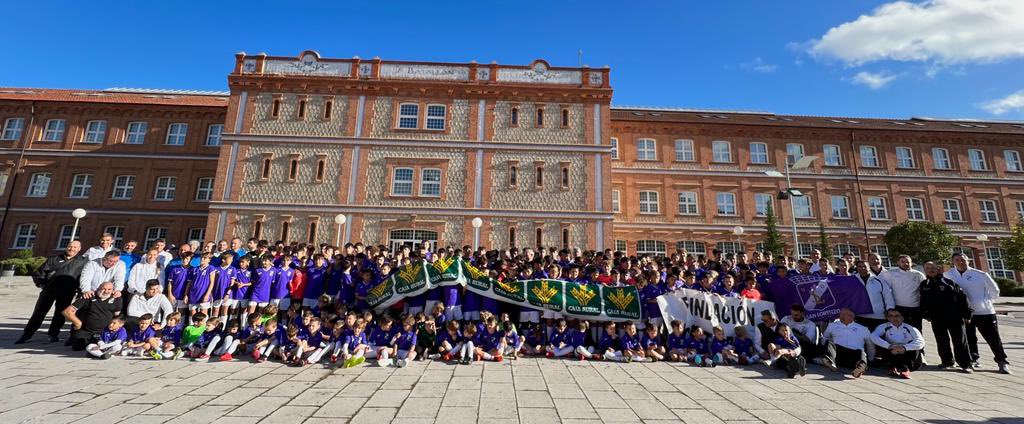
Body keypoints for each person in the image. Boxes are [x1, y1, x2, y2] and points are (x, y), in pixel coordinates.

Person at [944, 253, 1010, 374]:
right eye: (957, 260)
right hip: (964, 313)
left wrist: (984, 301)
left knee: (993, 338)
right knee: (969, 338)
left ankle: (1002, 361)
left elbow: (995, 291)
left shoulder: (980, 275)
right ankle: (973, 359)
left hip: (984, 312)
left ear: (968, 260)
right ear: (953, 262)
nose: (960, 262)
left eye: (963, 260)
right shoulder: (948, 275)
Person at [17, 240, 89, 344]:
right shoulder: (53, 259)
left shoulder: (83, 262)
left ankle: (53, 334)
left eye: (75, 247)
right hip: (49, 291)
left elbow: (83, 277)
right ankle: (27, 334)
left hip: (67, 292)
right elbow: (39, 273)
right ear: (66, 247)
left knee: (60, 315)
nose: (71, 249)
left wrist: (80, 290)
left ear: (79, 249)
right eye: (70, 246)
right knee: (39, 313)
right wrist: (42, 284)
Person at [920, 262, 973, 372]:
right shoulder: (924, 284)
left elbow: (962, 298)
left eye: (933, 267)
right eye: (928, 268)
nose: (930, 270)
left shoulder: (948, 282)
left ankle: (965, 364)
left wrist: (967, 314)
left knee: (960, 341)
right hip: (937, 318)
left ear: (938, 268)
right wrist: (926, 315)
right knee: (941, 340)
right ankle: (947, 361)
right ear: (925, 270)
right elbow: (923, 302)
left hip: (955, 317)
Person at [63, 281, 123, 351]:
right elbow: (67, 312)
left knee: (104, 346)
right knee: (77, 348)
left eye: (109, 289)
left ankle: (101, 352)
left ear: (113, 290)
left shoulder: (117, 298)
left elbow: (117, 317)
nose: (106, 291)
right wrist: (77, 323)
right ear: (98, 288)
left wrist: (116, 328)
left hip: (105, 332)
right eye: (103, 289)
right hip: (87, 332)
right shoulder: (89, 296)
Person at [817, 308, 873, 378]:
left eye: (844, 315)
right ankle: (831, 363)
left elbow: (870, 346)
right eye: (841, 314)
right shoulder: (832, 325)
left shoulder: (863, 329)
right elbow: (825, 339)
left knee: (861, 351)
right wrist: (823, 352)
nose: (841, 316)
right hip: (838, 355)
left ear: (852, 316)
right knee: (830, 343)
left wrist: (870, 359)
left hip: (854, 357)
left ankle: (860, 369)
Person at [871, 309, 925, 379]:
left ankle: (905, 370)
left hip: (908, 356)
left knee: (915, 347)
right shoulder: (884, 326)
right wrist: (888, 346)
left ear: (902, 317)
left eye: (897, 316)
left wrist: (904, 348)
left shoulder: (910, 328)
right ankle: (893, 368)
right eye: (891, 316)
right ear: (887, 318)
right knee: (881, 345)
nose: (894, 318)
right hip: (892, 352)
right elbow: (873, 336)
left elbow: (921, 341)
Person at [880, 255, 926, 333]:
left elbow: (924, 291)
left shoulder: (919, 275)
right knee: (901, 330)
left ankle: (919, 345)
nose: (905, 263)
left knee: (916, 330)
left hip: (915, 307)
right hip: (899, 308)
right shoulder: (891, 274)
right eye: (903, 261)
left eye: (908, 262)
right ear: (898, 262)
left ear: (911, 263)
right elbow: (885, 290)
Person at [852, 260, 894, 330]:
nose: (862, 268)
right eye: (859, 266)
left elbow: (888, 297)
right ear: (857, 268)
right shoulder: (852, 280)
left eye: (865, 266)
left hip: (878, 316)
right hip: (859, 316)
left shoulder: (879, 280)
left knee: (877, 339)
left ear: (869, 267)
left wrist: (889, 310)